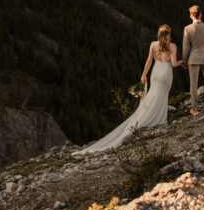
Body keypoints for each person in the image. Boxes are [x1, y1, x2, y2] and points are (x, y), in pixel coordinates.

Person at [75, 25, 182, 153]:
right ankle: (159, 118)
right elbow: (175, 64)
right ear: (169, 34)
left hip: (155, 72)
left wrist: (143, 75)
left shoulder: (153, 44)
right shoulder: (173, 46)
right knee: (161, 95)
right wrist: (183, 62)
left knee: (152, 94)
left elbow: (149, 61)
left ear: (158, 34)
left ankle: (149, 116)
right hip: (166, 72)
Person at [181, 4, 204, 114]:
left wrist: (185, 61)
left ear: (191, 16)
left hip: (192, 58)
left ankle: (194, 108)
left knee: (193, 84)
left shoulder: (187, 29)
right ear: (201, 15)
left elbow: (186, 47)